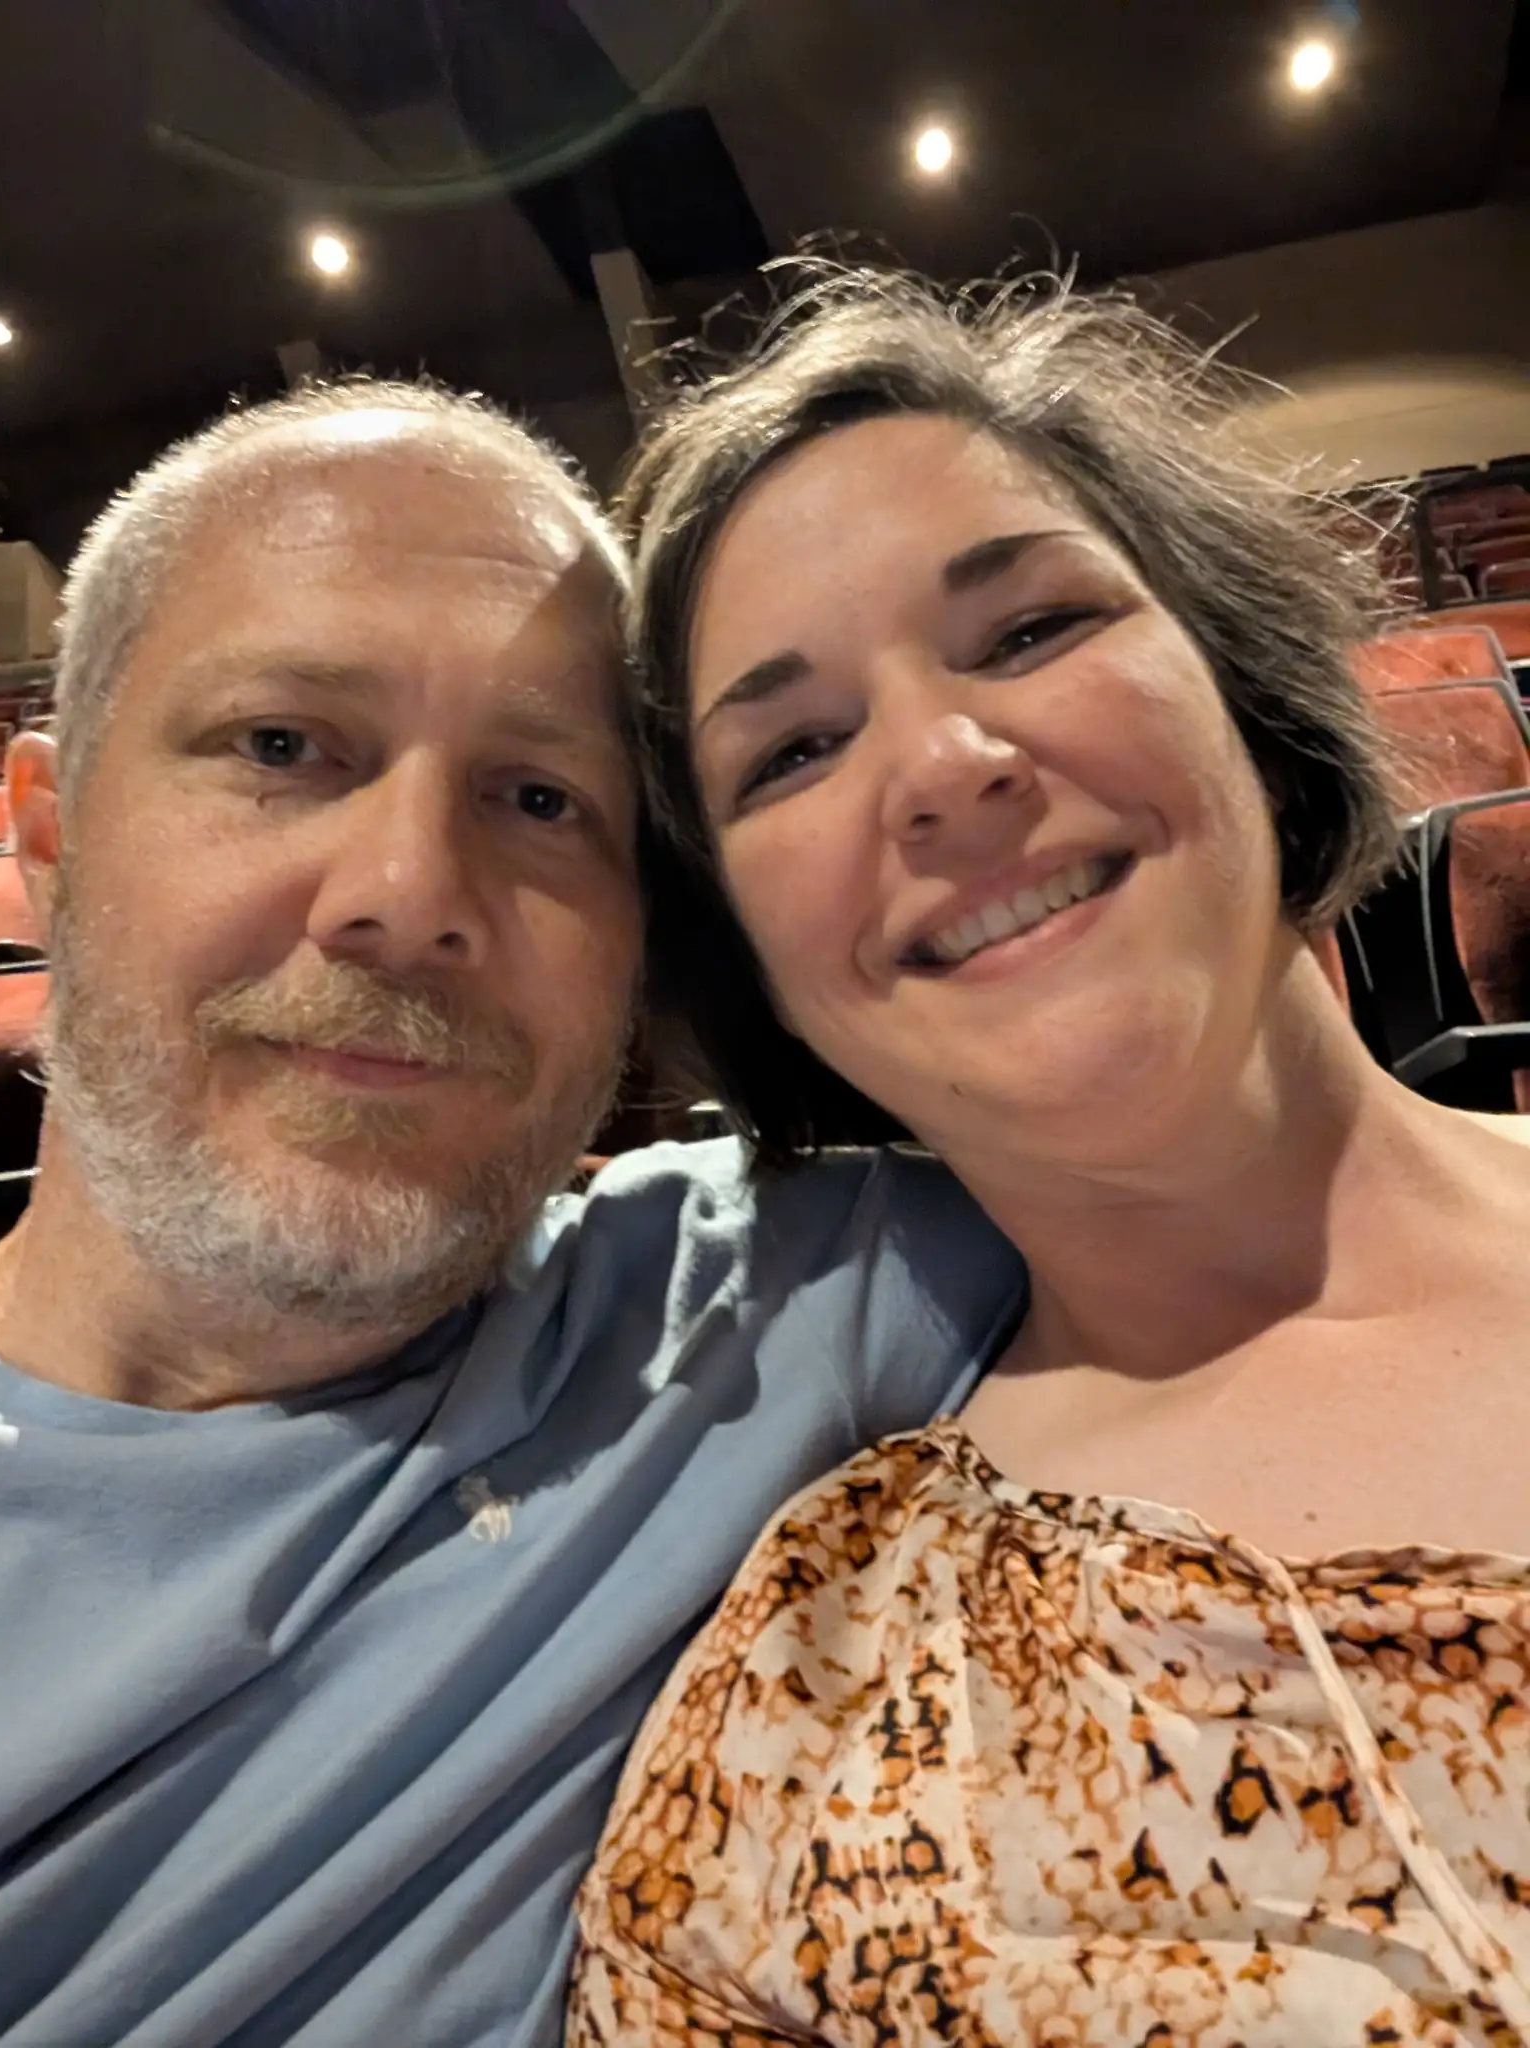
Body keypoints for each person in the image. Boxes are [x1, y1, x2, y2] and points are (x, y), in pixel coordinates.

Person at [0, 378, 1027, 2048]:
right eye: (281, 747)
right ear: (49, 836)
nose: (409, 898)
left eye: (542, 799)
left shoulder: (785, 1307)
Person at [569, 271, 1530, 2045]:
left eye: (1025, 631)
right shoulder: (796, 1727)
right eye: (793, 750)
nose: (942, 768)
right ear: (745, 954)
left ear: (1237, 677)